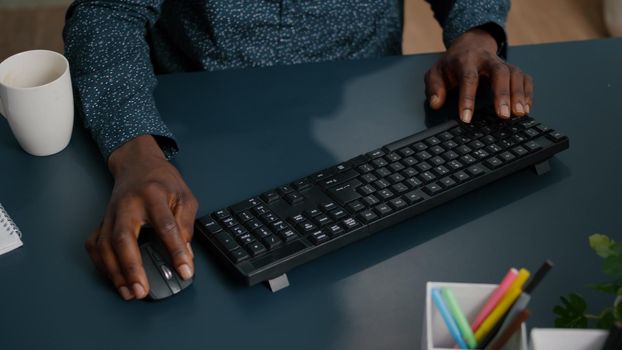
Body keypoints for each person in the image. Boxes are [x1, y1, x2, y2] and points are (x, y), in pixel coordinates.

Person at [64, 0, 532, 300]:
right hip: (197, 116)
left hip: (370, 106)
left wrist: (475, 33)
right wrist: (134, 149)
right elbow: (107, 10)